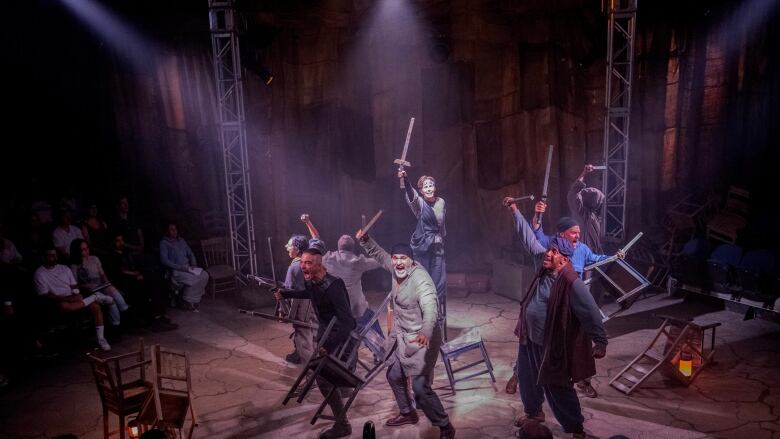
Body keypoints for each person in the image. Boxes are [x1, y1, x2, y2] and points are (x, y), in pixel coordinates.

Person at [503, 197, 608, 439]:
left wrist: (600, 340)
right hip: (529, 338)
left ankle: (575, 428)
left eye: (553, 251)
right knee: (528, 380)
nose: (547, 253)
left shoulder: (571, 282)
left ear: (565, 258)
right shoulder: (544, 267)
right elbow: (529, 239)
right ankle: (533, 413)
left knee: (556, 385)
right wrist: (515, 211)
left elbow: (590, 311)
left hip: (551, 344)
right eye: (549, 249)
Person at [358, 231, 456, 439]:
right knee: (394, 375)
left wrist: (425, 332)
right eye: (396, 259)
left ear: (412, 260)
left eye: (404, 258)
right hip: (402, 336)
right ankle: (407, 413)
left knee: (420, 388)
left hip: (422, 339)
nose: (398, 262)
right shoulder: (395, 269)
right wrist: (366, 240)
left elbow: (431, 309)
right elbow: (381, 255)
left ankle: (445, 425)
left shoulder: (421, 280)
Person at [274, 249, 356, 439]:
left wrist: (330, 344)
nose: (303, 266)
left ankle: (343, 425)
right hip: (325, 333)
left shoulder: (334, 286)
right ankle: (341, 401)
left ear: (319, 264)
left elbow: (348, 321)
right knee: (324, 378)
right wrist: (286, 294)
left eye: (309, 263)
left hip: (339, 337)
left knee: (323, 379)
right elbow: (309, 293)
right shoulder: (311, 281)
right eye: (302, 262)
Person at [301, 214, 383, 342]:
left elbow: (316, 240)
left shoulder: (327, 258)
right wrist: (366, 242)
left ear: (339, 247)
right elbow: (380, 260)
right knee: (371, 321)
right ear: (353, 247)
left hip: (334, 311)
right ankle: (380, 351)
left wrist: (308, 222)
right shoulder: (358, 261)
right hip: (355, 311)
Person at [33, 247, 115, 351]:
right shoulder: (39, 273)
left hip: (74, 297)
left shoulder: (64, 268)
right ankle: (95, 296)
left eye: (55, 255)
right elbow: (45, 295)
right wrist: (64, 298)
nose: (55, 257)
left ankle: (101, 339)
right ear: (44, 257)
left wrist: (74, 293)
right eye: (51, 255)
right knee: (64, 306)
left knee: (95, 307)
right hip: (58, 300)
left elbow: (74, 286)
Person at [397, 170, 447, 332]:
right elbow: (410, 194)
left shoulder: (441, 202)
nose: (429, 188)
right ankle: (421, 312)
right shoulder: (419, 203)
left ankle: (435, 312)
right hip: (422, 247)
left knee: (438, 281)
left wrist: (439, 236)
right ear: (421, 190)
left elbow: (441, 224)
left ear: (435, 187)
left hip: (437, 246)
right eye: (425, 186)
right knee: (422, 281)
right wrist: (406, 178)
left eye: (431, 185)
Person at [69, 239, 129, 328]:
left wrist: (107, 283)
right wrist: (85, 286)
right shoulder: (75, 266)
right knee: (110, 301)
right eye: (83, 249)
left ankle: (125, 311)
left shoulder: (94, 258)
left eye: (87, 248)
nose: (86, 251)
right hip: (89, 291)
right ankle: (116, 325)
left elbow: (102, 274)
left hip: (101, 285)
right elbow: (75, 285)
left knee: (112, 290)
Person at [282, 234, 318, 365]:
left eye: (290, 246)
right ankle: (320, 373)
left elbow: (288, 291)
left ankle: (311, 379)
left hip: (302, 307)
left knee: (303, 341)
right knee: (314, 337)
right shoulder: (312, 261)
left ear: (297, 249)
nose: (287, 248)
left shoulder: (295, 267)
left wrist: (283, 311)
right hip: (316, 304)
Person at [159, 222, 208, 311]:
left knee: (204, 275)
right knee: (193, 280)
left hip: (188, 267)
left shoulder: (181, 240)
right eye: (171, 229)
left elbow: (190, 253)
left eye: (175, 229)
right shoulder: (164, 243)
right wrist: (180, 267)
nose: (174, 232)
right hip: (177, 270)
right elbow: (164, 260)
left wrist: (193, 264)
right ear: (167, 231)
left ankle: (194, 299)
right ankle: (187, 301)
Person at [567, 164, 606, 254]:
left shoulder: (592, 214)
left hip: (591, 254)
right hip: (580, 254)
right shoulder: (580, 211)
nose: (600, 204)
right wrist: (584, 173)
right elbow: (573, 192)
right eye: (599, 201)